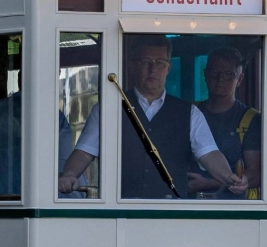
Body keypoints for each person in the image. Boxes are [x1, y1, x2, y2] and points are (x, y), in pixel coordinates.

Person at [58, 35, 247, 199]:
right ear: (133, 66)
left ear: (168, 67)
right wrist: (69, 174)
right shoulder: (108, 109)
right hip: (119, 212)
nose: (152, 70)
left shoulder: (189, 113)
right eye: (146, 62)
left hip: (171, 213)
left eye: (159, 63)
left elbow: (210, 154)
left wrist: (229, 177)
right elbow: (84, 152)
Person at [193, 47, 262, 199]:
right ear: (205, 74)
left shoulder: (251, 119)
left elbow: (255, 174)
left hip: (233, 206)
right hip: (188, 203)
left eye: (229, 74)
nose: (220, 79)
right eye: (214, 73)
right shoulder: (191, 113)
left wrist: (208, 183)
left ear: (240, 79)